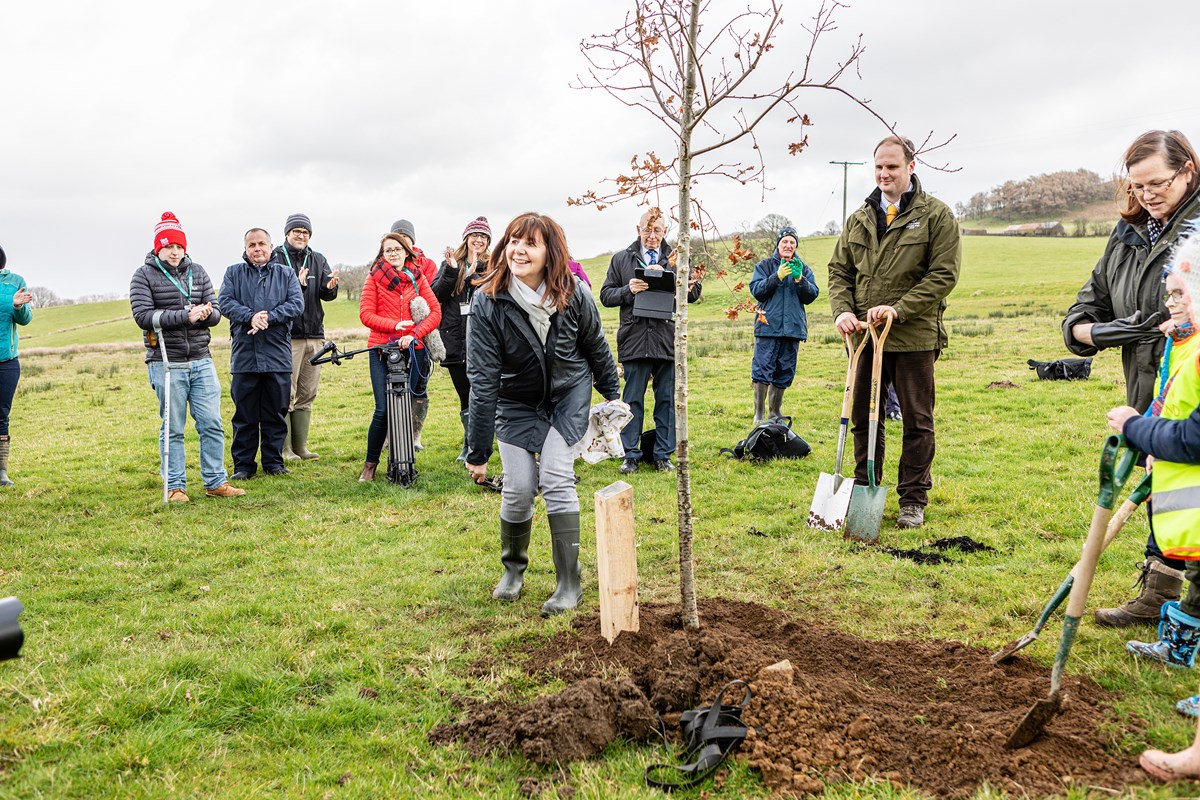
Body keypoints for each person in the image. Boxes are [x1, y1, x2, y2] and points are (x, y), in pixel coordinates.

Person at [1065, 130, 1200, 627]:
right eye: (1137, 185)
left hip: (1191, 375)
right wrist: (1095, 329)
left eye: (1157, 183)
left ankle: (1183, 603)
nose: (1146, 194)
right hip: (1147, 378)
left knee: (1186, 481)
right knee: (1163, 480)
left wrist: (1107, 330)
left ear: (1187, 170)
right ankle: (1161, 591)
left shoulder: (1198, 231)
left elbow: (1156, 314)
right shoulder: (1127, 234)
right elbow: (1087, 304)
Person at [465, 212, 619, 616]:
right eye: (514, 241)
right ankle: (513, 572)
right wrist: (477, 452)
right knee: (517, 488)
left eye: (530, 243)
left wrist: (614, 396)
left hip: (568, 394)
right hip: (514, 402)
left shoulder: (575, 293)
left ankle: (570, 582)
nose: (519, 250)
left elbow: (596, 346)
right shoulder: (487, 301)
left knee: (555, 476)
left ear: (550, 252)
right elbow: (481, 381)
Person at [828, 134, 962, 530]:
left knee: (918, 420)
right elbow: (839, 271)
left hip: (914, 335)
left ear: (910, 167)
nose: (884, 174)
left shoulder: (936, 215)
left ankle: (913, 500)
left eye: (892, 167)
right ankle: (864, 486)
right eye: (879, 167)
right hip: (865, 337)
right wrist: (842, 312)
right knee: (864, 418)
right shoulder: (859, 217)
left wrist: (900, 309)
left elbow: (944, 274)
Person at [1106, 233, 1200, 782]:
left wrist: (1137, 428)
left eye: (1183, 292)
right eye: (1171, 294)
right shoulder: (1184, 342)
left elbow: (1193, 436)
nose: (1174, 303)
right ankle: (1178, 647)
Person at [130, 212, 244, 502]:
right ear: (159, 247)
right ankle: (176, 486)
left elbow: (217, 311)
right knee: (173, 427)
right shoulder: (143, 276)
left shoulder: (199, 271)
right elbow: (143, 316)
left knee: (211, 423)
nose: (175, 251)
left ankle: (215, 481)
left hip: (201, 359)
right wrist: (185, 316)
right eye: (168, 246)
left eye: (179, 246)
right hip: (166, 362)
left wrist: (207, 314)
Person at [599, 208, 701, 474]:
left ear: (665, 231)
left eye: (657, 230)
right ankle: (630, 455)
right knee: (632, 400)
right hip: (634, 338)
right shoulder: (621, 259)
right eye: (647, 229)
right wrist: (628, 290)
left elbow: (694, 293)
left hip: (667, 338)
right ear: (638, 229)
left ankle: (662, 456)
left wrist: (676, 279)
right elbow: (606, 295)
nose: (652, 235)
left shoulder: (676, 258)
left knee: (666, 399)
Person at [219, 228, 304, 480]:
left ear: (271, 246)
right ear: (245, 249)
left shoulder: (286, 274)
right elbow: (225, 302)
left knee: (275, 412)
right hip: (245, 356)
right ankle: (243, 466)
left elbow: (296, 304)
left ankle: (273, 462)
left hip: (277, 355)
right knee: (244, 415)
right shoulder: (233, 273)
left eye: (261, 244)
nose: (257, 248)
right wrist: (250, 316)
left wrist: (268, 317)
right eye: (252, 245)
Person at [358, 233, 442, 481]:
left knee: (405, 406)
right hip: (382, 350)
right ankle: (370, 465)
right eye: (388, 251)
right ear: (382, 255)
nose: (393, 254)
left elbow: (435, 312)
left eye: (397, 249)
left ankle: (402, 463)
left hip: (413, 350)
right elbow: (365, 315)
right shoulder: (373, 278)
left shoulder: (418, 278)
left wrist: (415, 334)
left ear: (406, 252)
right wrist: (395, 326)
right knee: (383, 410)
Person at [273, 213, 339, 462]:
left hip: (314, 335)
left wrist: (330, 287)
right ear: (287, 233)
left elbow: (325, 294)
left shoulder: (318, 258)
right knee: (285, 392)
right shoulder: (276, 258)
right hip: (288, 337)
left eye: (305, 232)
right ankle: (284, 448)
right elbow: (275, 294)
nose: (301, 235)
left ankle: (300, 447)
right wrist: (297, 286)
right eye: (296, 231)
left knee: (307, 391)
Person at [434, 216, 491, 462]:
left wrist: (476, 274)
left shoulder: (494, 265)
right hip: (455, 339)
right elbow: (436, 295)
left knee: (480, 394)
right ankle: (469, 444)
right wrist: (453, 272)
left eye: (483, 236)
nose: (478, 240)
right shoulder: (450, 264)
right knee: (464, 394)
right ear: (466, 239)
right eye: (474, 235)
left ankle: (478, 444)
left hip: (482, 340)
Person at [749, 226, 819, 423]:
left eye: (792, 242)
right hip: (768, 327)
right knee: (762, 369)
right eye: (785, 242)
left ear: (795, 245)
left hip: (793, 330)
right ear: (778, 244)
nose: (788, 245)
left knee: (785, 371)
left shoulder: (803, 268)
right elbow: (757, 291)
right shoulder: (764, 266)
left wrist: (799, 279)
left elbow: (811, 295)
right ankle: (759, 414)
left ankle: (774, 412)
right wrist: (777, 277)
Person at [0, 244, 32, 487]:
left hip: (7, 362)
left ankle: (1, 472)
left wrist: (18, 306)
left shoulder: (15, 281)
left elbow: (25, 320)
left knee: (1, 417)